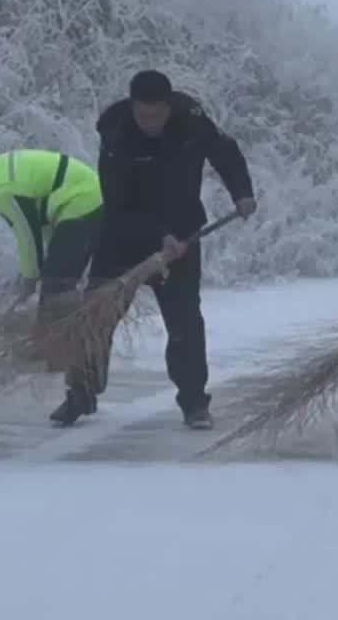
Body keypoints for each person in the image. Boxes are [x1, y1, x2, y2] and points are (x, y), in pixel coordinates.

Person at [88, 69, 256, 430]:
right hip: (122, 238)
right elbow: (118, 202)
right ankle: (80, 393)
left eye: (156, 114)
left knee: (184, 324)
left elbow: (225, 152)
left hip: (183, 235)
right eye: (142, 115)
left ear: (169, 106)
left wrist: (241, 191)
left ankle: (194, 402)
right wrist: (158, 236)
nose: (149, 122)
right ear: (132, 107)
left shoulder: (192, 121)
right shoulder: (115, 133)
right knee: (94, 318)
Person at [0, 148, 106, 423]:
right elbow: (42, 225)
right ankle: (58, 356)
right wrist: (41, 268)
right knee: (55, 286)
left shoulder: (1, 188)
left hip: (82, 201)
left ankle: (65, 360)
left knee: (57, 292)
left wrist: (31, 276)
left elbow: (27, 233)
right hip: (77, 201)